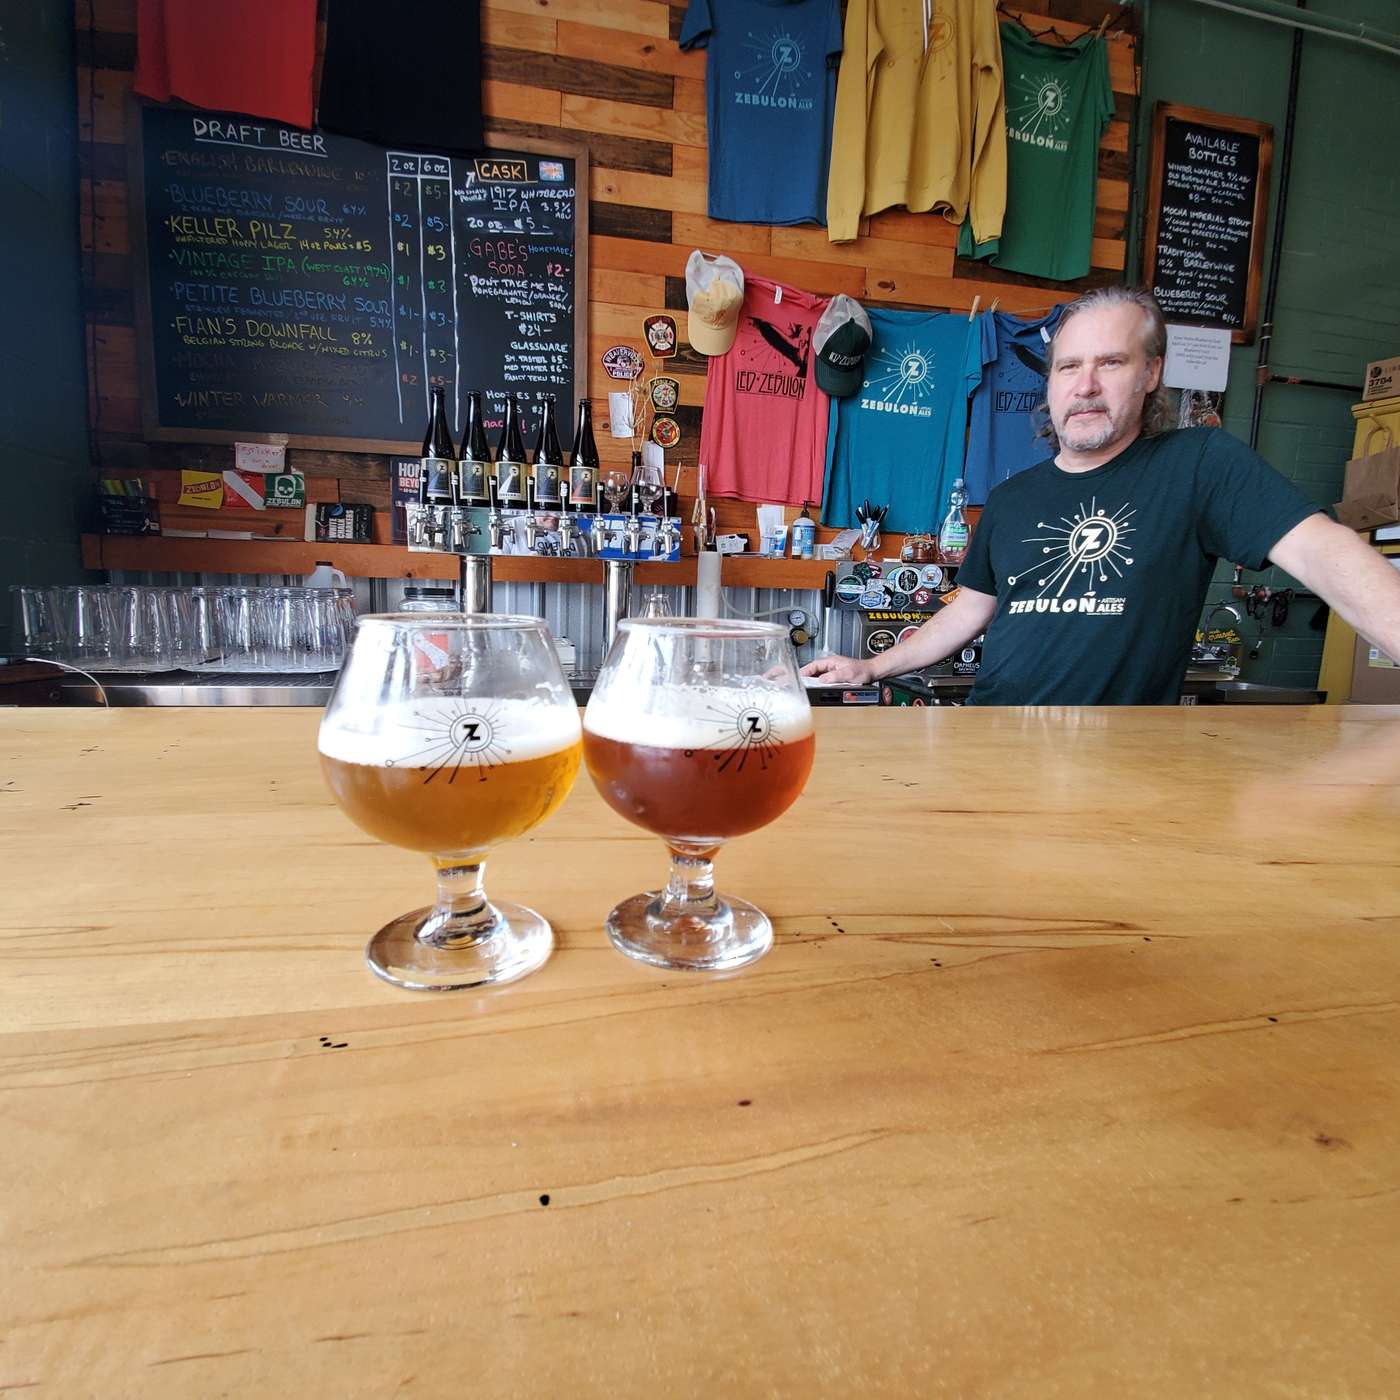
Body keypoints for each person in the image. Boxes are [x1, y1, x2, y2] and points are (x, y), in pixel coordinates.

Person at [802, 285, 1400, 704]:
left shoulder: (1198, 464)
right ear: (1050, 382)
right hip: (993, 746)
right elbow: (969, 610)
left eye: (1110, 363)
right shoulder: (1010, 498)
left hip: (1119, 765)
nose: (1085, 385)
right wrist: (870, 666)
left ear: (1151, 373)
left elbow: (1323, 551)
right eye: (1068, 367)